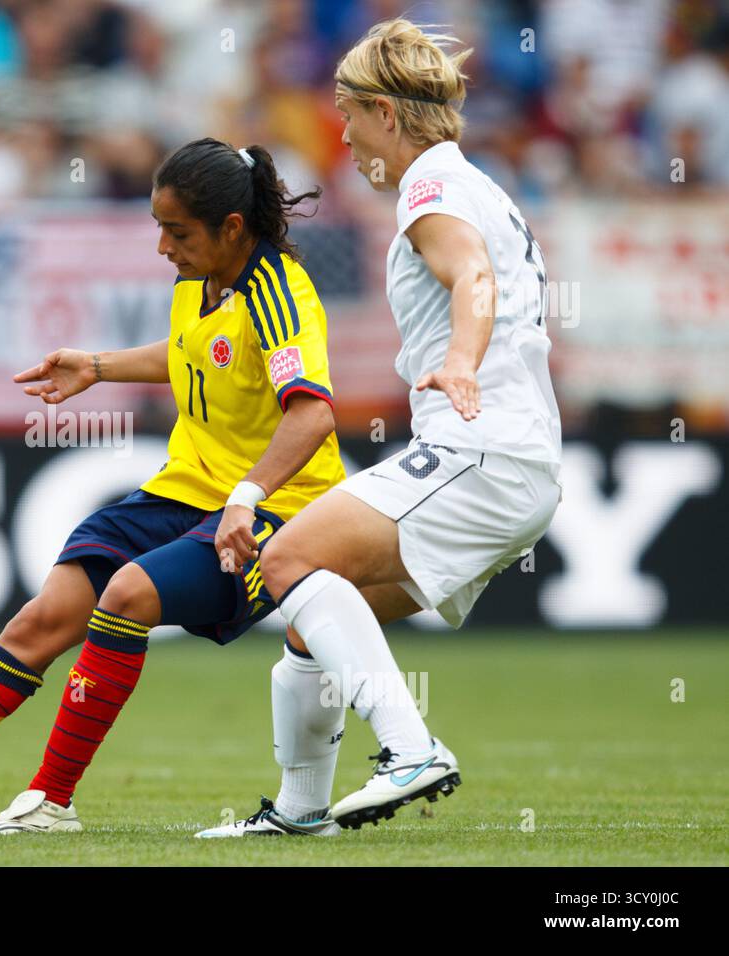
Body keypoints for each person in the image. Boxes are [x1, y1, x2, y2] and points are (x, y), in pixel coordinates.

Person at [0, 137, 357, 833]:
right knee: (41, 620)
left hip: (279, 516)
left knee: (127, 597)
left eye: (175, 231)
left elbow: (312, 413)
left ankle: (51, 802)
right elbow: (193, 354)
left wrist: (247, 496)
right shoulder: (199, 279)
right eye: (158, 227)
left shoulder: (279, 294)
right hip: (183, 492)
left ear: (231, 229)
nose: (161, 247)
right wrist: (99, 364)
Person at [197, 19, 563, 837]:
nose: (345, 132)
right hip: (515, 459)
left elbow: (469, 273)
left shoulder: (432, 188)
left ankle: (411, 749)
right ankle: (299, 813)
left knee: (287, 555)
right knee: (314, 616)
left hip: (480, 446)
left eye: (350, 113)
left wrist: (463, 359)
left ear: (386, 114)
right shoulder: (479, 183)